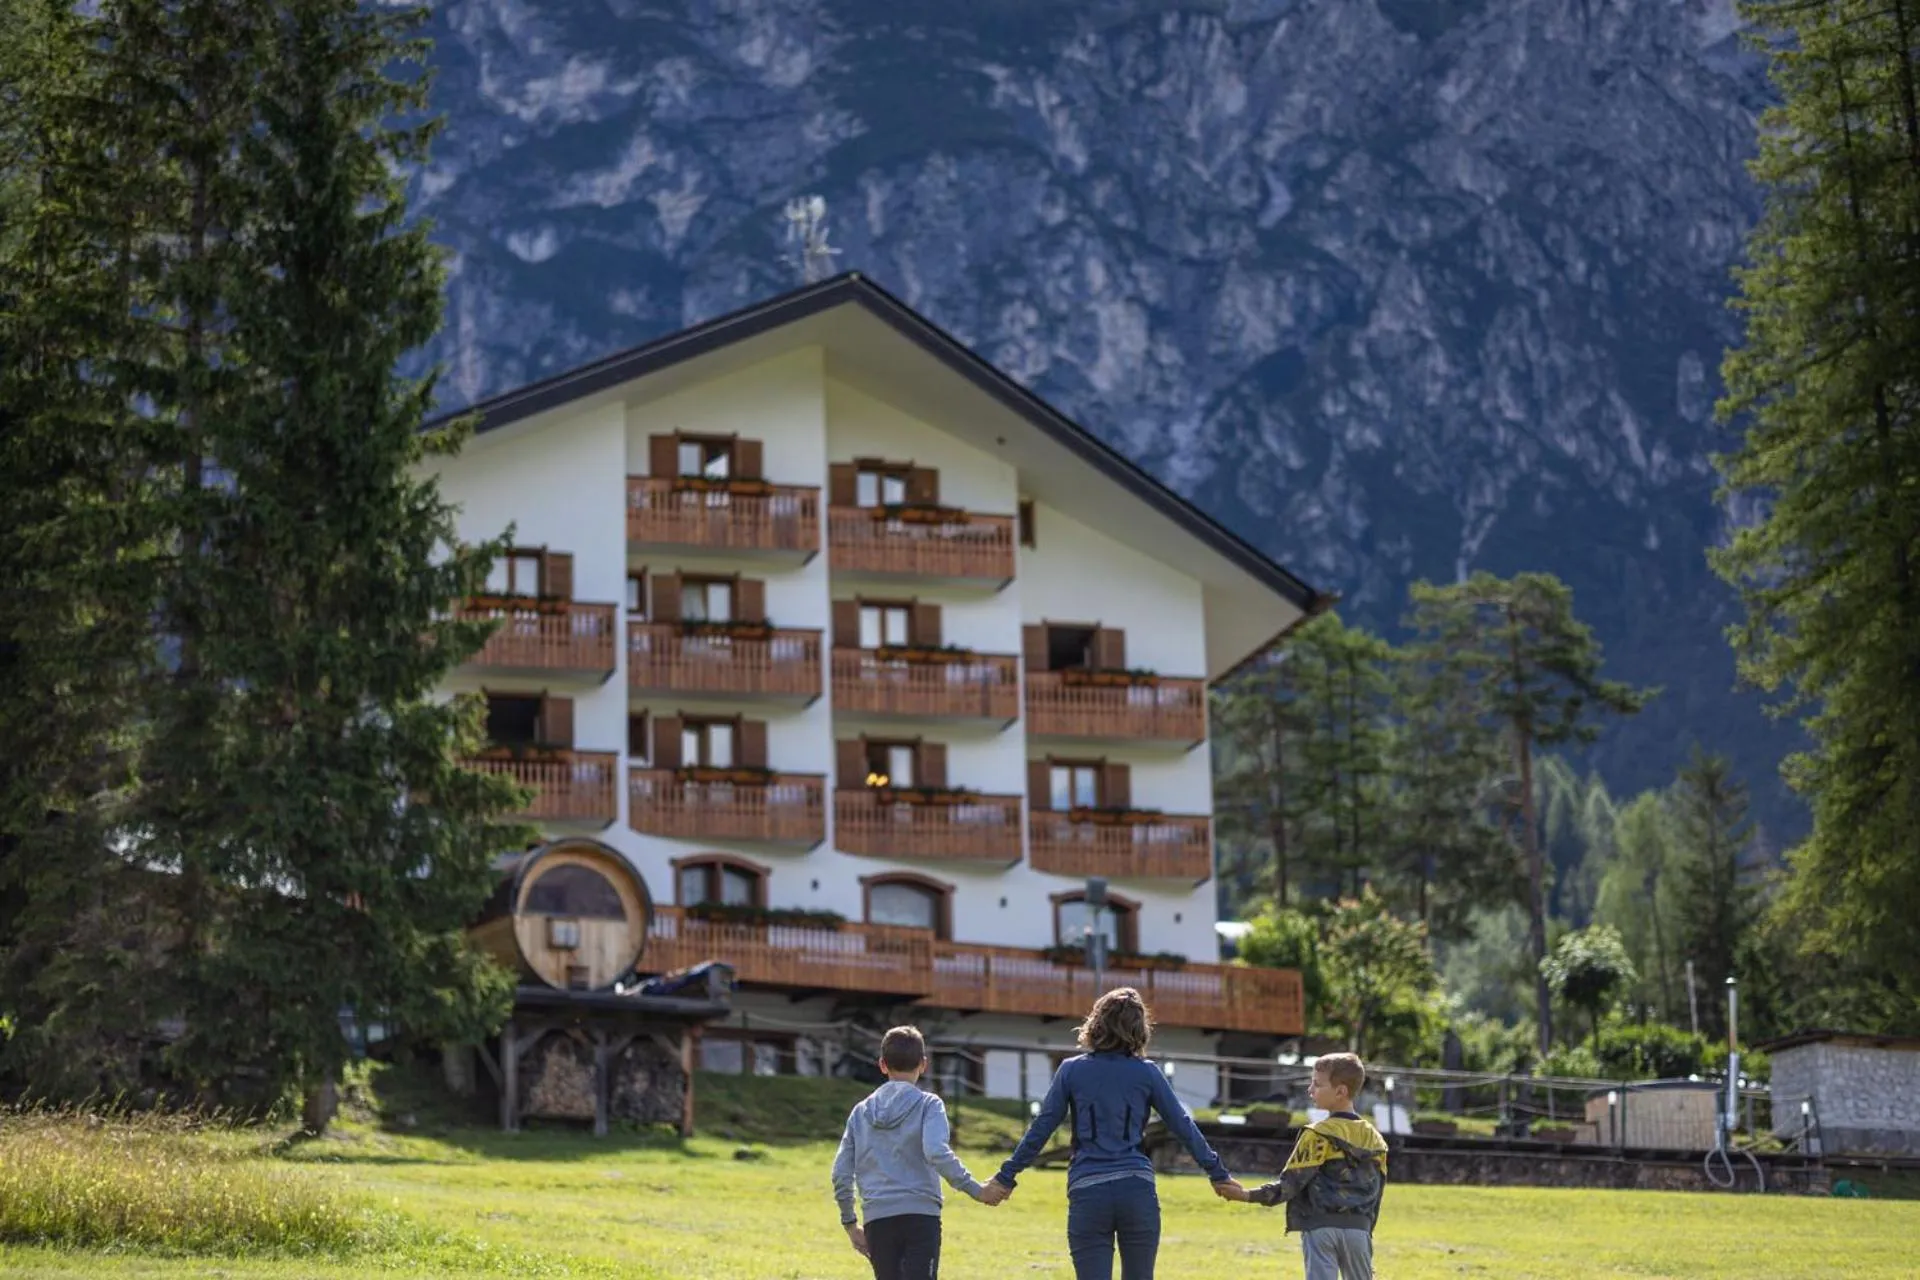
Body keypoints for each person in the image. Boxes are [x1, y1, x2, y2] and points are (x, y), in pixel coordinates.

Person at [982, 987, 1244, 1280]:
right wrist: (1218, 1174)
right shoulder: (1148, 1073)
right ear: (1139, 1029)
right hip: (1137, 1190)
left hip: (1088, 1190)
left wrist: (1005, 1178)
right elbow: (1183, 1125)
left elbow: (1042, 1128)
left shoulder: (1071, 1071)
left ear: (1095, 1023)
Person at [831, 1025, 993, 1279]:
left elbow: (841, 1173)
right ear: (923, 1064)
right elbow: (936, 1152)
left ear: (883, 1065)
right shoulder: (929, 1105)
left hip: (877, 1218)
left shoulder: (860, 1113)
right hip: (920, 1216)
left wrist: (850, 1223)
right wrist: (976, 1190)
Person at [1220, 1051, 1388, 1280]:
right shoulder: (1376, 1140)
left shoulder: (1317, 1135)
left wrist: (1247, 1195)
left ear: (1341, 1091)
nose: (1310, 1090)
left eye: (1317, 1084)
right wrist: (1367, 1231)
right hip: (1360, 1231)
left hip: (1320, 1230)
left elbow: (1290, 1184)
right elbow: (1377, 1195)